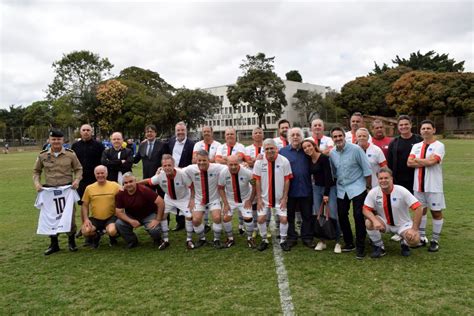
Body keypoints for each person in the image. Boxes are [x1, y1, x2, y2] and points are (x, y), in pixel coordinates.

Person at [33, 129, 83, 255]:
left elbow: (78, 169)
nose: (56, 142)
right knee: (51, 217)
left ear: (63, 140)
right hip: (49, 191)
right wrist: (37, 184)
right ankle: (54, 244)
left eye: (58, 139)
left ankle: (71, 242)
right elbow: (36, 171)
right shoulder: (43, 155)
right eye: (53, 139)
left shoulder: (70, 154)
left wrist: (77, 180)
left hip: (67, 190)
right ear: (49, 140)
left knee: (69, 216)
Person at [329, 126, 372, 259]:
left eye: (340, 136)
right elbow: (334, 172)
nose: (338, 139)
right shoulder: (332, 153)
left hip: (358, 187)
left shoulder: (356, 149)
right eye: (335, 137)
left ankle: (360, 247)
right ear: (332, 139)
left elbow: (367, 169)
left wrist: (368, 187)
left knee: (358, 216)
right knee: (342, 215)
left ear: (344, 136)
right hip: (342, 188)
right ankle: (349, 243)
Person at [363, 167, 423, 257]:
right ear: (378, 180)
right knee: (369, 222)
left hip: (403, 224)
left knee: (415, 240)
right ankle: (379, 247)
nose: (383, 180)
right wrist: (375, 221)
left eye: (386, 178)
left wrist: (414, 229)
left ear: (391, 178)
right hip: (385, 223)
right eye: (381, 178)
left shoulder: (401, 190)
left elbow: (419, 208)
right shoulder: (373, 192)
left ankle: (405, 243)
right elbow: (365, 209)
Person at [139, 155, 196, 249]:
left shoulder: (182, 174)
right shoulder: (160, 175)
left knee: (189, 217)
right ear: (162, 166)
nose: (167, 168)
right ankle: (165, 240)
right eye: (165, 166)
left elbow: (192, 186)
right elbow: (148, 181)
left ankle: (189, 239)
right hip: (169, 198)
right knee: (162, 216)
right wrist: (135, 184)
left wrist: (192, 199)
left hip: (184, 198)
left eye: (169, 165)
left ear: (174, 165)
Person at [407, 120, 446, 252]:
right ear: (420, 131)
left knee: (436, 212)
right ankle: (422, 237)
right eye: (423, 128)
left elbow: (433, 161)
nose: (425, 130)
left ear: (434, 130)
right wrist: (425, 161)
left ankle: (435, 240)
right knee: (420, 211)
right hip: (418, 186)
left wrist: (417, 160)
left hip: (433, 186)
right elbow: (409, 163)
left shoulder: (439, 145)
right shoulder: (416, 146)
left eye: (428, 128)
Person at [253, 138, 293, 252]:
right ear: (263, 150)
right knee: (260, 219)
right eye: (267, 149)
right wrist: (259, 198)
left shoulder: (284, 161)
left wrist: (285, 197)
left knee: (284, 219)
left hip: (279, 198)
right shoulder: (259, 162)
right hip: (264, 199)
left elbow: (287, 180)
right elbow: (257, 181)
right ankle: (264, 240)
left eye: (272, 148)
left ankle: (283, 241)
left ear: (276, 149)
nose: (270, 151)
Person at [301, 139, 341, 253]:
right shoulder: (308, 159)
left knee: (333, 214)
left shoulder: (323, 158)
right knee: (318, 215)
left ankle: (337, 241)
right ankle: (322, 240)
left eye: (309, 146)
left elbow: (329, 176)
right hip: (316, 189)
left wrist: (326, 194)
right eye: (304, 148)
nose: (307, 149)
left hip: (329, 188)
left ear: (314, 146)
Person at [183, 150, 227, 249]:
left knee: (216, 217)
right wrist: (161, 169)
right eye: (199, 160)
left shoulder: (217, 167)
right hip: (199, 199)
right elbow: (177, 170)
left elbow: (231, 166)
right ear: (196, 160)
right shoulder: (190, 169)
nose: (201, 162)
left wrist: (243, 165)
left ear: (209, 160)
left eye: (204, 160)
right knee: (196, 220)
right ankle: (202, 239)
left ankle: (216, 240)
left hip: (214, 198)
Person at [280, 128, 314, 248]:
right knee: (290, 216)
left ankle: (307, 237)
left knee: (307, 215)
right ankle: (291, 237)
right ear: (289, 137)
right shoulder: (283, 152)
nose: (295, 137)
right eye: (293, 135)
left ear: (302, 137)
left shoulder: (307, 150)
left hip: (306, 188)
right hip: (289, 190)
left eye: (298, 135)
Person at [115, 172, 165, 249]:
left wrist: (157, 219)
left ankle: (157, 239)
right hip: (131, 215)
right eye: (126, 182)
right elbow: (118, 212)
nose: (128, 184)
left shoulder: (144, 190)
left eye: (131, 181)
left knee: (154, 230)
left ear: (135, 181)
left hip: (148, 214)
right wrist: (131, 221)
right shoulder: (120, 194)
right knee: (119, 224)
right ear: (123, 184)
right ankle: (132, 241)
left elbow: (160, 202)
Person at [218, 155, 257, 248]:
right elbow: (221, 189)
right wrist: (226, 204)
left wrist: (250, 200)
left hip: (244, 200)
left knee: (248, 218)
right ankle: (230, 238)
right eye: (230, 164)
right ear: (227, 164)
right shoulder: (223, 173)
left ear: (239, 163)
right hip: (230, 200)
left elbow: (255, 186)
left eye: (235, 164)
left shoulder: (247, 172)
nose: (233, 167)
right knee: (226, 218)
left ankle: (250, 238)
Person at [80, 165, 121, 248]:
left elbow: (125, 194)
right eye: (98, 173)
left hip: (110, 217)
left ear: (106, 174)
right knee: (85, 231)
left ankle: (112, 237)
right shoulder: (89, 188)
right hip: (96, 218)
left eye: (102, 173)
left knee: (112, 231)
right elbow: (84, 205)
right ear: (95, 175)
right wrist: (86, 219)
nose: (100, 175)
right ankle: (96, 236)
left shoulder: (115, 186)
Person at [167, 121, 195, 231]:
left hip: (186, 176)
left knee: (187, 199)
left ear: (186, 131)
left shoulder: (191, 144)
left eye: (182, 130)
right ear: (175, 131)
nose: (180, 132)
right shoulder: (171, 142)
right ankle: (180, 222)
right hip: (173, 175)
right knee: (176, 197)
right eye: (178, 130)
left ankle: (191, 221)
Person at [387, 115, 423, 193]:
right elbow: (389, 163)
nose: (404, 126)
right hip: (398, 180)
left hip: (416, 179)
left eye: (406, 124)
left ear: (410, 125)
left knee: (416, 204)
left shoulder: (419, 140)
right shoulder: (394, 142)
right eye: (401, 125)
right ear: (398, 127)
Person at [71, 124, 104, 204]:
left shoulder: (99, 145)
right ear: (80, 132)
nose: (86, 132)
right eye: (84, 130)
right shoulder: (75, 146)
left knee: (97, 202)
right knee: (83, 202)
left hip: (96, 178)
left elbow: (103, 162)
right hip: (81, 179)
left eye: (88, 130)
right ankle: (85, 217)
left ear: (91, 132)